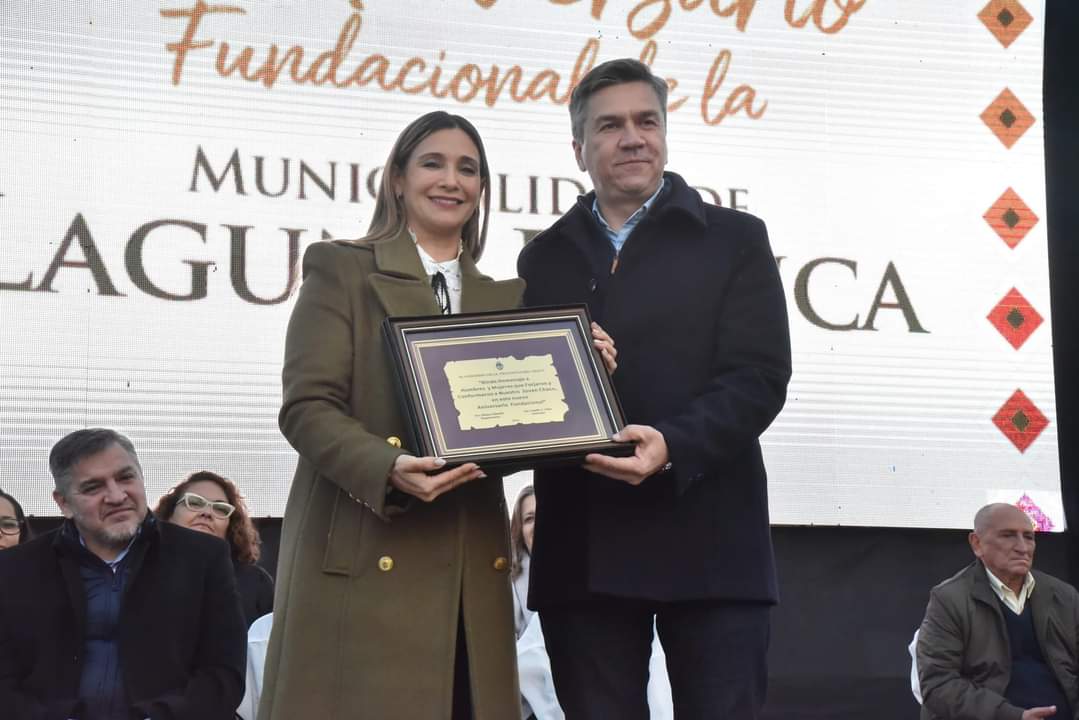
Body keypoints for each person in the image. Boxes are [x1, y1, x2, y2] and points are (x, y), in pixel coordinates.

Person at [259, 110, 617, 720]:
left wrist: (584, 370)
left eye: (467, 169)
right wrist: (387, 467)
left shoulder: (508, 299)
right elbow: (307, 407)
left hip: (468, 563)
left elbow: (516, 429)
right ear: (398, 179)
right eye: (433, 163)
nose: (451, 180)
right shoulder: (340, 267)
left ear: (481, 189)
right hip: (367, 546)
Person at [517, 58, 792, 719]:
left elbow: (759, 376)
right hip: (583, 547)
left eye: (647, 121)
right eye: (610, 126)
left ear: (664, 134)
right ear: (578, 147)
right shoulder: (543, 258)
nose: (632, 138)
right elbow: (526, 391)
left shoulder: (735, 239)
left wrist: (674, 444)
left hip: (711, 538)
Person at [0, 428, 246, 720]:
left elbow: (224, 673)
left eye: (126, 478)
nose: (116, 496)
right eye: (93, 487)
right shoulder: (15, 570)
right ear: (63, 503)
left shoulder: (203, 559)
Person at [916, 503, 1079, 720]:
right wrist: (1013, 716)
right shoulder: (949, 599)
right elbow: (938, 684)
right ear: (977, 543)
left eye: (1029, 537)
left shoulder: (1064, 596)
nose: (1022, 547)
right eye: (1008, 536)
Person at [155, 470, 274, 627]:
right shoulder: (138, 570)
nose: (207, 513)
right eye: (194, 502)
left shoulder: (256, 582)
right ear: (169, 514)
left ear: (231, 526)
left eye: (220, 509)